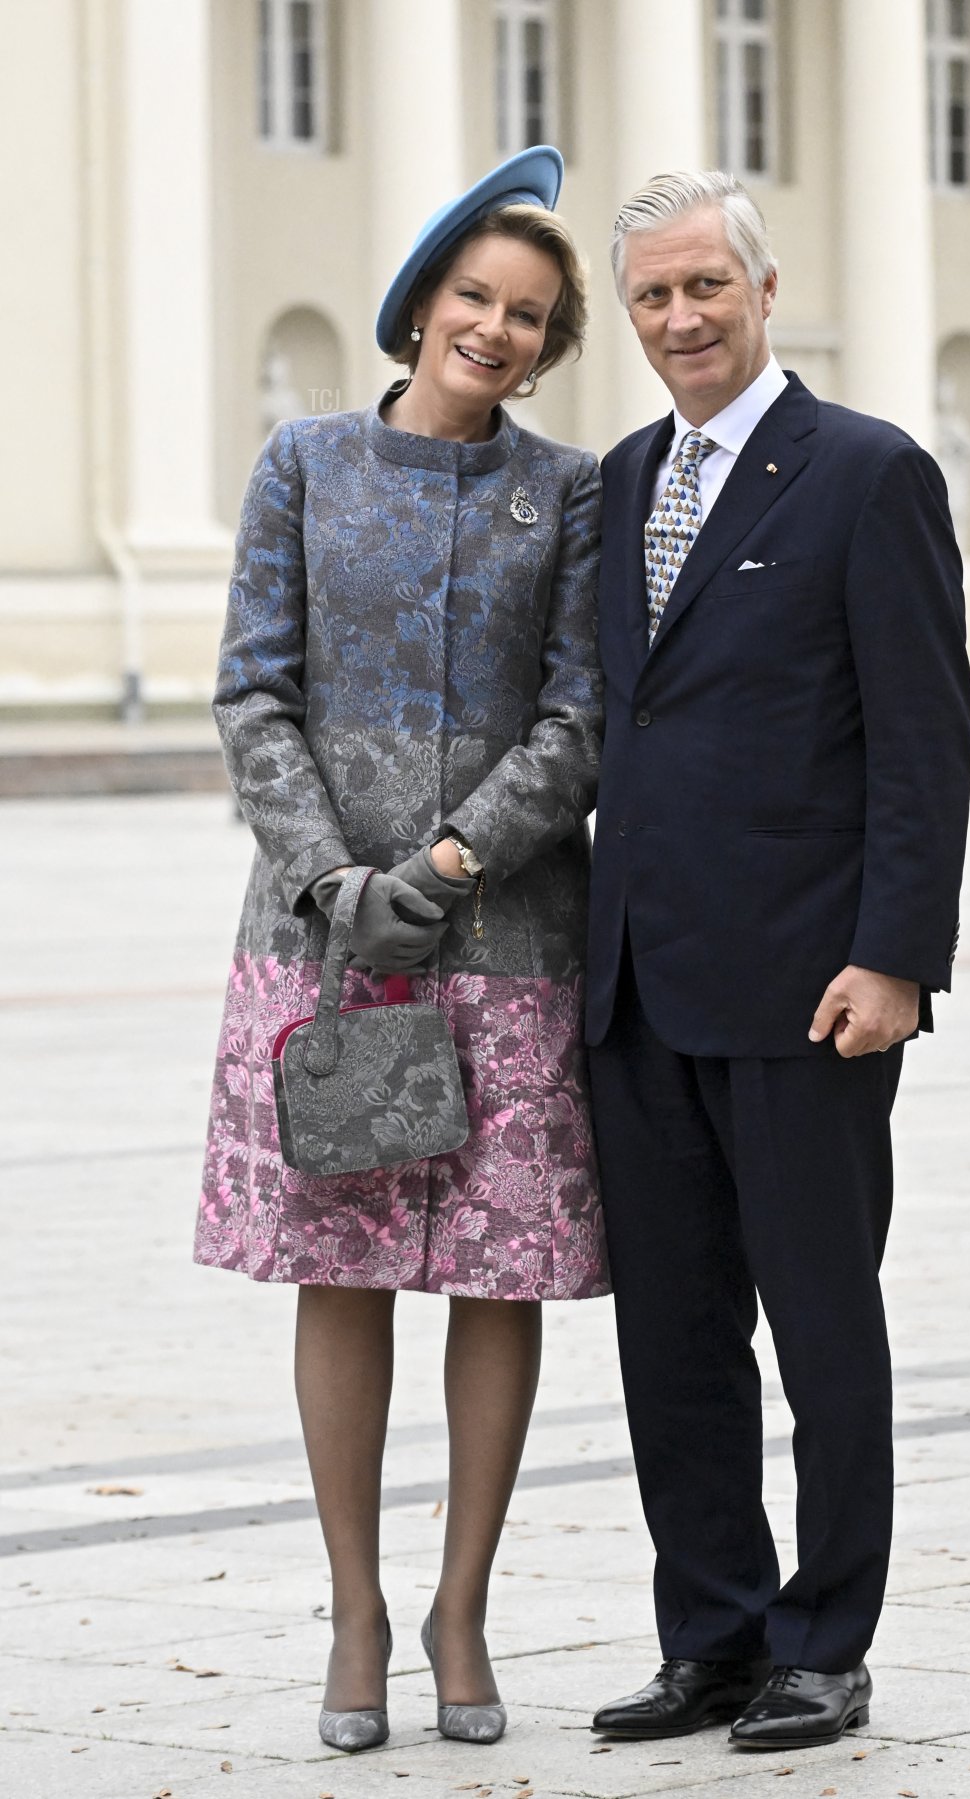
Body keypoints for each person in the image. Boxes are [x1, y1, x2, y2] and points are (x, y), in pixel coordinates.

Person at [194, 147, 607, 1754]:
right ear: (423, 301)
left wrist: (445, 860)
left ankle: (461, 1605)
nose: (495, 328)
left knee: (500, 1274)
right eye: (474, 297)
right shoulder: (304, 462)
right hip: (326, 945)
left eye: (528, 315)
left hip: (509, 936)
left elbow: (580, 714)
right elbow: (254, 688)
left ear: (548, 344)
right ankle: (356, 1607)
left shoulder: (569, 492)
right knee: (346, 1261)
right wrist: (331, 877)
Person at [585, 171, 970, 1753]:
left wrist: (897, 957)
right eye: (653, 294)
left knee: (821, 1329)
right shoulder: (621, 479)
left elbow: (923, 741)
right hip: (636, 989)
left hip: (810, 992)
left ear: (761, 289)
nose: (682, 317)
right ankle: (714, 1634)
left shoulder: (867, 473)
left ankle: (825, 1643)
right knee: (673, 1341)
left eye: (705, 286)